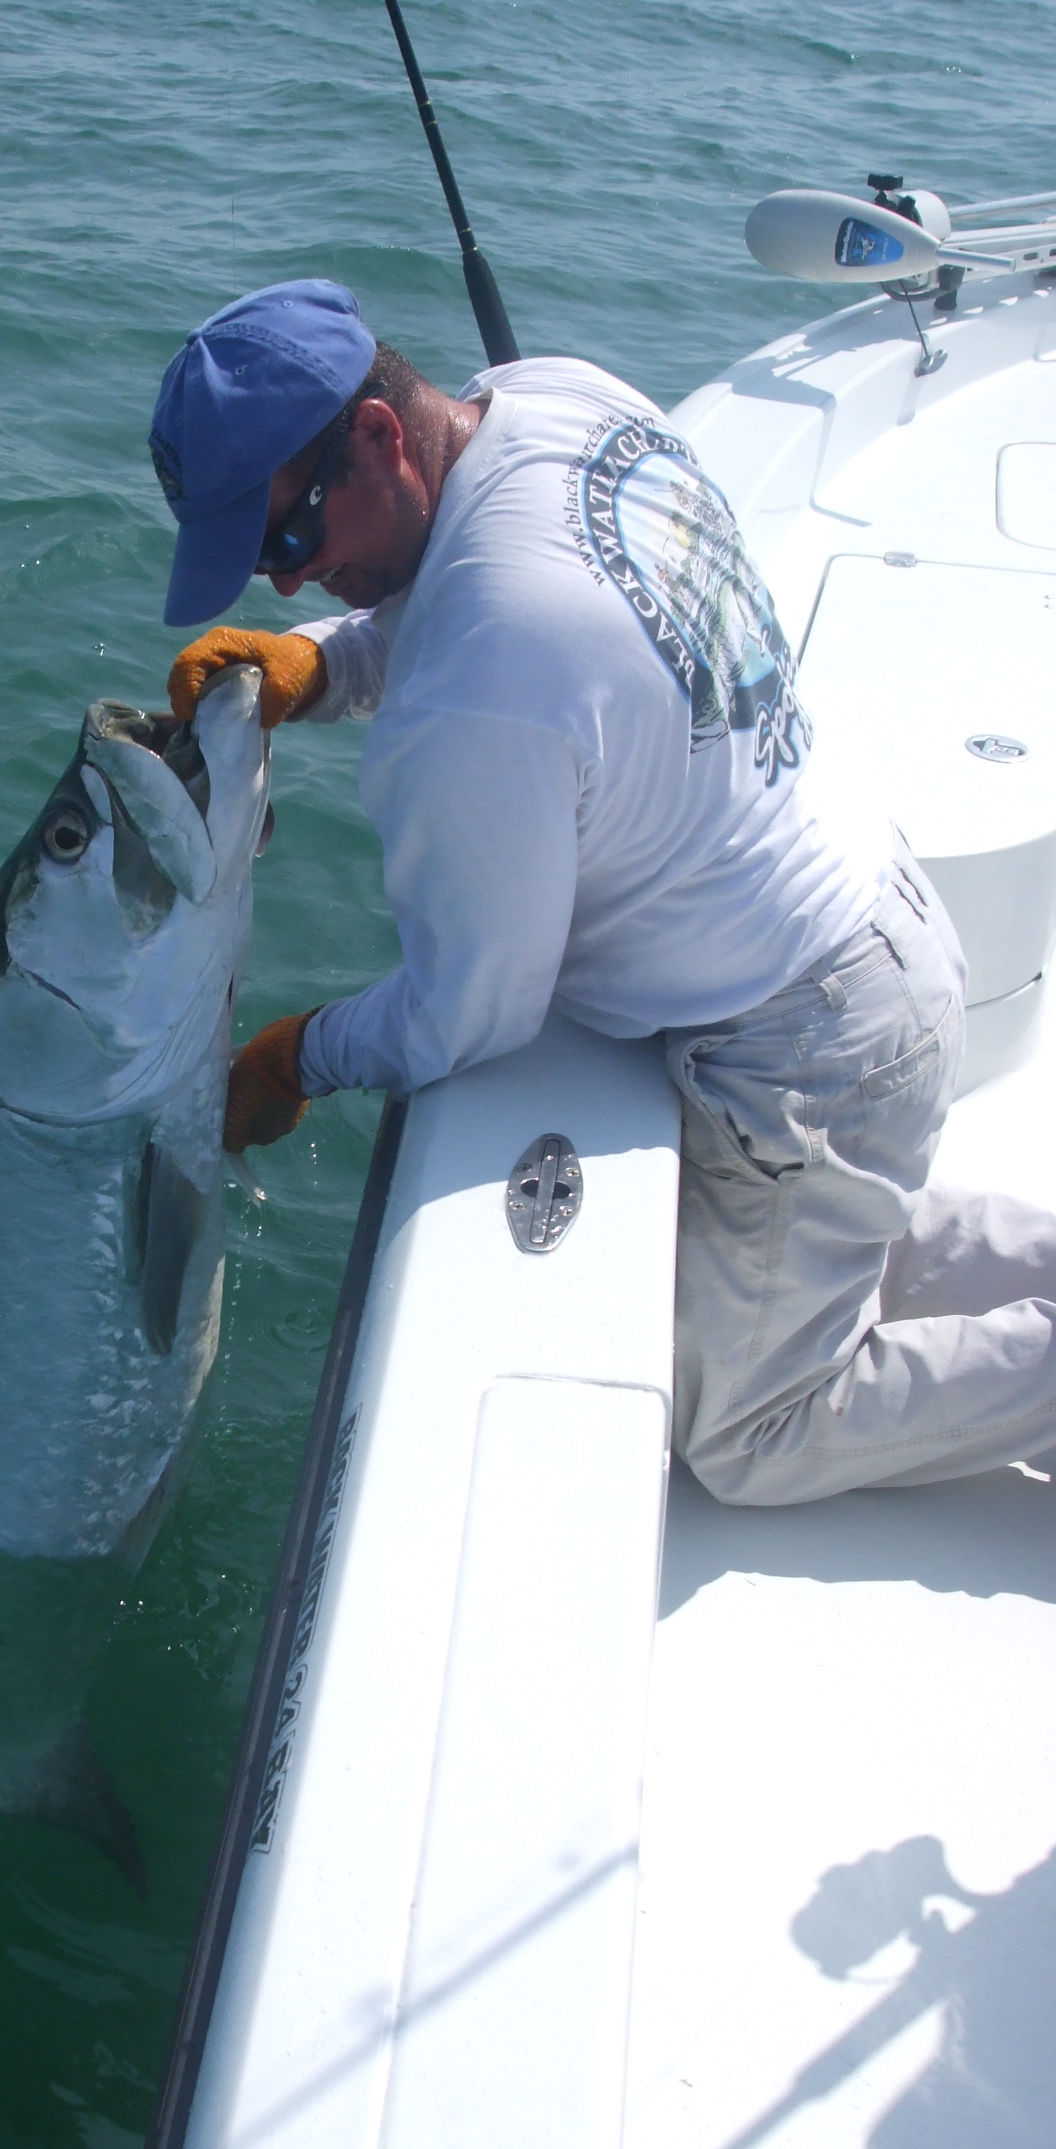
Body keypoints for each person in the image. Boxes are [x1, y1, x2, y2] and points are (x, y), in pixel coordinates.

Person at [148, 277, 1056, 1507]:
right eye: (262, 567)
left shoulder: (471, 699)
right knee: (843, 1226)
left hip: (807, 1050)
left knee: (751, 1433)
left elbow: (472, 1015)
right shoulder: (553, 400)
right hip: (876, 925)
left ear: (376, 438)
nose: (292, 587)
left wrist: (294, 1058)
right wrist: (323, 671)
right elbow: (517, 615)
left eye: (292, 541)